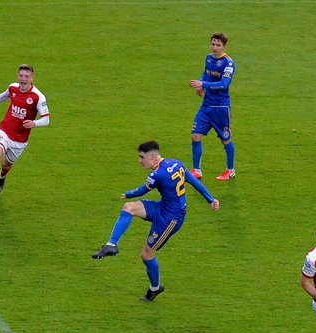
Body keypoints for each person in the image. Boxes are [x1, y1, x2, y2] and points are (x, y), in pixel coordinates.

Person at [92, 141, 220, 301]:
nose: (140, 161)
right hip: (163, 207)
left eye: (141, 157)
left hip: (170, 219)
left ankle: (155, 288)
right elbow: (194, 181)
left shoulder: (157, 174)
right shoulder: (176, 163)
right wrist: (210, 199)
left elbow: (143, 190)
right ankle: (111, 245)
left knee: (146, 254)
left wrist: (129, 193)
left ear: (152, 156)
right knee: (128, 208)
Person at [0, 64, 50, 206]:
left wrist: (34, 123)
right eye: (21, 76)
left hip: (20, 140)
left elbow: (46, 119)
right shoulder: (13, 88)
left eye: (26, 76)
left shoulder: (38, 97)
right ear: (17, 76)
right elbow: (4, 95)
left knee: (6, 165)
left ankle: (2, 176)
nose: (23, 79)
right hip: (5, 131)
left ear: (32, 78)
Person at [188, 32, 237, 181]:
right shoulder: (209, 58)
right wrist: (201, 84)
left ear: (224, 46)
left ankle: (230, 170)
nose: (215, 48)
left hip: (221, 107)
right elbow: (206, 73)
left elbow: (223, 84)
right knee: (195, 135)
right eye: (213, 44)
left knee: (225, 140)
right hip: (206, 105)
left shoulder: (228, 63)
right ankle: (197, 170)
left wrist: (203, 84)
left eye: (218, 45)